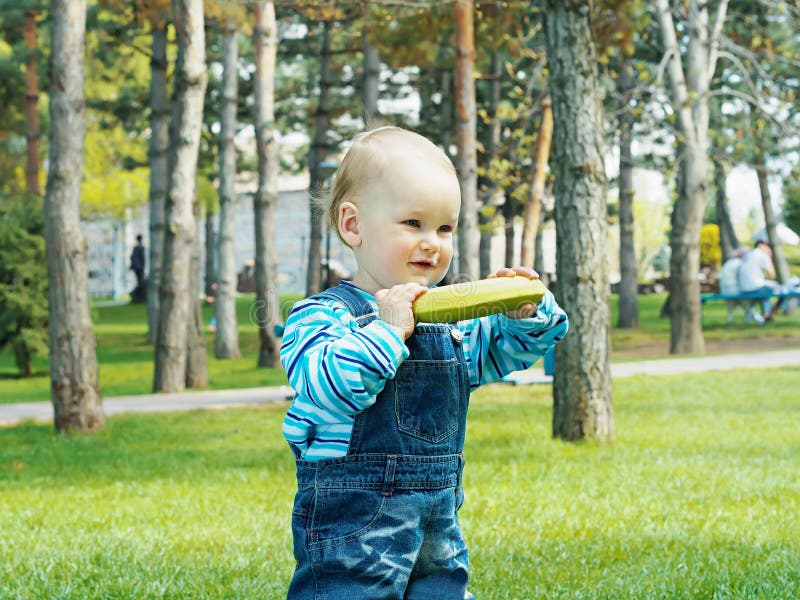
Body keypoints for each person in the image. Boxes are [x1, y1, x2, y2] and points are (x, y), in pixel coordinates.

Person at [279, 126, 568, 599]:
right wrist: (388, 330)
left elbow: (500, 351)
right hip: (352, 527)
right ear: (353, 225)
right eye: (412, 224)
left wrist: (525, 317)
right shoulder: (321, 316)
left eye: (445, 228)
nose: (432, 242)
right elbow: (327, 384)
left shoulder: (447, 324)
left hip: (438, 521)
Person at [738, 239, 778, 323]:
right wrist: (769, 257)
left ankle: (750, 317)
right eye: (767, 246)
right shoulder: (762, 254)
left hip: (743, 289)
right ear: (760, 245)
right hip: (755, 288)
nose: (768, 248)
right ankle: (767, 316)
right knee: (774, 291)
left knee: (761, 293)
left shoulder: (748, 254)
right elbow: (772, 274)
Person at [718, 247, 747, 323]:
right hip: (734, 290)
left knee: (730, 307)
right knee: (747, 303)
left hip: (724, 290)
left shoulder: (727, 263)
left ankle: (730, 320)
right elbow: (742, 279)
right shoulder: (739, 263)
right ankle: (753, 318)